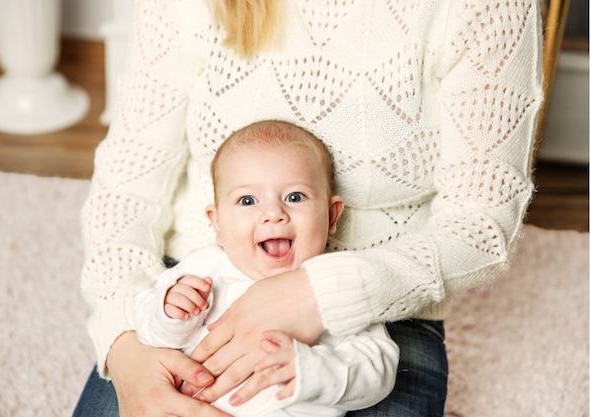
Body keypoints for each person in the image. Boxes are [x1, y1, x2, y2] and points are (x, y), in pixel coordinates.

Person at [73, 1, 544, 416]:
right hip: (198, 278)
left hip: (384, 296)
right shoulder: (194, 279)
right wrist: (126, 344)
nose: (275, 214)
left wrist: (320, 294)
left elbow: (481, 227)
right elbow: (124, 189)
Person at [133, 120, 399, 416]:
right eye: (247, 200)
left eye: (294, 197)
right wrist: (168, 312)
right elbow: (149, 329)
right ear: (217, 223)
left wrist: (310, 369)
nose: (273, 214)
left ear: (331, 215)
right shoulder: (204, 267)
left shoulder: (338, 286)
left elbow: (379, 368)